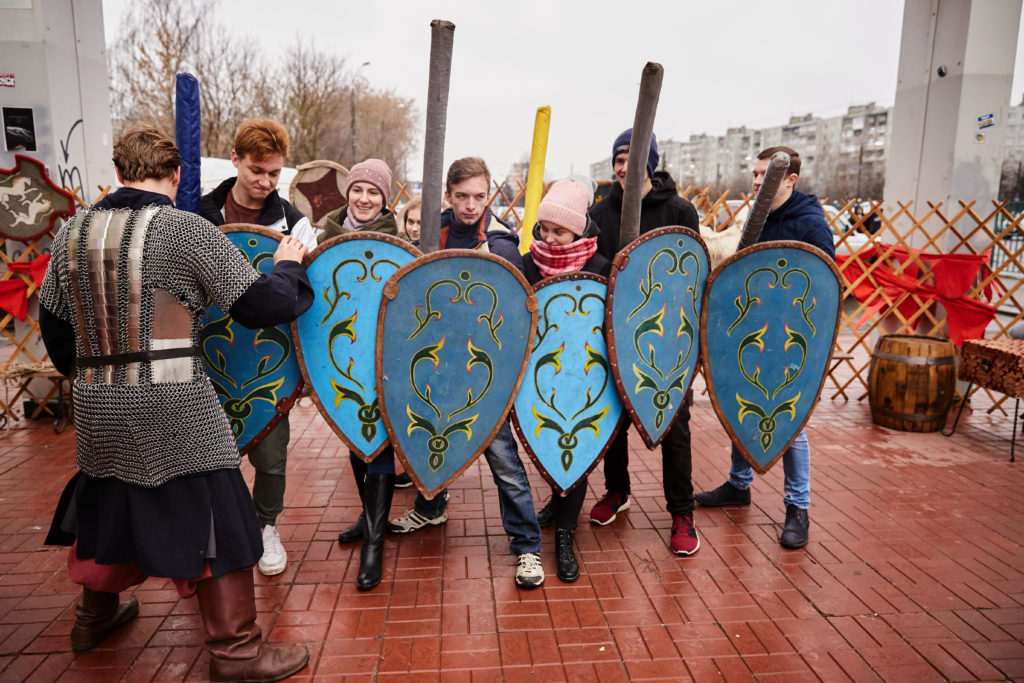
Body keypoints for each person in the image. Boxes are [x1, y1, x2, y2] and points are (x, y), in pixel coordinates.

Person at [39, 125, 312, 681]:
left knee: (109, 503)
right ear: (177, 174)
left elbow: (54, 324)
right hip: (174, 404)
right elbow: (259, 305)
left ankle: (93, 618)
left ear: (119, 172)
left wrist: (92, 378)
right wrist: (287, 266)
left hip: (98, 403)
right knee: (220, 512)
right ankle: (236, 652)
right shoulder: (183, 229)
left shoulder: (73, 233)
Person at [387, 156, 546, 589]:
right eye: (462, 196)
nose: (471, 205)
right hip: (435, 362)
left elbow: (519, 313)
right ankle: (431, 505)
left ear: (489, 195)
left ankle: (528, 547)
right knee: (427, 436)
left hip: (482, 373)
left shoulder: (502, 244)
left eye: (479, 196)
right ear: (448, 194)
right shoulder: (429, 234)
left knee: (503, 461)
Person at [694, 145, 835, 549]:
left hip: (789, 341)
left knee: (791, 420)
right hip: (752, 334)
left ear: (790, 179)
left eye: (765, 175)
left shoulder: (809, 224)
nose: (757, 181)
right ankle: (739, 485)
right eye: (755, 174)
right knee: (744, 406)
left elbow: (823, 285)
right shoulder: (757, 218)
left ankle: (798, 507)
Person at [199, 118, 318, 576]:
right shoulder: (200, 217)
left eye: (274, 173)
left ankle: (265, 525)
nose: (266, 182)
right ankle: (212, 533)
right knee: (209, 456)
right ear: (235, 160)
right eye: (257, 171)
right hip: (212, 361)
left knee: (271, 457)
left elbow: (306, 296)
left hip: (273, 362)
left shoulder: (293, 221)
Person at [584, 128, 703, 557]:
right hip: (612, 333)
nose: (622, 168)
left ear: (649, 163)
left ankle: (682, 512)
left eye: (630, 160)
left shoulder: (678, 210)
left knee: (674, 426)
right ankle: (617, 491)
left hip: (665, 338)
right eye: (617, 159)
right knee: (614, 423)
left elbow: (692, 277)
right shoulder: (600, 211)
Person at [320, 158, 404, 591]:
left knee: (380, 445)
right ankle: (371, 515)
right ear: (347, 192)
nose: (365, 198)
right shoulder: (324, 240)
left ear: (385, 199)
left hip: (383, 360)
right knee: (357, 439)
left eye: (374, 192)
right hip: (341, 358)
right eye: (359, 190)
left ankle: (374, 542)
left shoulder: (402, 244)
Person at [522, 179, 610, 582]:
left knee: (578, 443)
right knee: (547, 442)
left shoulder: (600, 268)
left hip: (585, 374)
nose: (551, 239)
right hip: (541, 375)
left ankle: (564, 533)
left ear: (579, 229)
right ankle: (558, 504)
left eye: (560, 231)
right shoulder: (527, 263)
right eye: (545, 230)